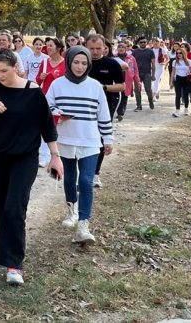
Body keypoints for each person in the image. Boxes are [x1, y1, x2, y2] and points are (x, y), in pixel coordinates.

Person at [0, 49, 62, 286]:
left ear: (15, 67)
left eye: (4, 71)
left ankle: (14, 265)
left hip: (25, 157)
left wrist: (55, 156)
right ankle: (9, 249)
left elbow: (47, 126)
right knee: (2, 207)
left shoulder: (33, 92)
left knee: (15, 207)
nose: (0, 75)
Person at [45, 46, 113, 244]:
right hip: (65, 139)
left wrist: (107, 138)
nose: (80, 66)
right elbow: (46, 107)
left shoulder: (95, 86)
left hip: (90, 141)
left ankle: (84, 223)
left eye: (84, 63)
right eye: (76, 62)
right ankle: (71, 210)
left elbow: (103, 114)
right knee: (69, 179)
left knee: (86, 181)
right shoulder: (57, 84)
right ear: (69, 62)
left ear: (89, 65)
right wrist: (57, 113)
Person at [85, 34, 124, 189]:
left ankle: (95, 173)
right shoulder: (80, 63)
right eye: (91, 49)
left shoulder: (112, 63)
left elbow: (122, 86)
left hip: (106, 103)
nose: (95, 52)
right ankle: (82, 171)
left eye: (98, 48)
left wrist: (104, 87)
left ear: (105, 48)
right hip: (83, 106)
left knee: (101, 138)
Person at [35, 37, 66, 166]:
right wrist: (40, 78)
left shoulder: (66, 63)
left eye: (51, 46)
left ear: (58, 48)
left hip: (61, 98)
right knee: (45, 125)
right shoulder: (45, 62)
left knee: (59, 125)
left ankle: (59, 154)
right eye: (47, 46)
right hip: (46, 98)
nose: (48, 48)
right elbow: (37, 81)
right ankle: (44, 156)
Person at [115, 42, 140, 121]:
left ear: (126, 49)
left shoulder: (131, 58)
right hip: (116, 80)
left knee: (124, 97)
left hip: (127, 80)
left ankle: (120, 113)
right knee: (117, 96)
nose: (121, 48)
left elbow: (135, 70)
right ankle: (117, 111)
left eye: (123, 47)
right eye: (119, 47)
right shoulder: (114, 58)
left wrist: (137, 81)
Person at [131, 37, 155, 111]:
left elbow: (153, 64)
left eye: (144, 42)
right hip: (137, 74)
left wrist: (153, 75)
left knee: (148, 89)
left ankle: (150, 101)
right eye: (141, 42)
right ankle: (139, 106)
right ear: (138, 43)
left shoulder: (150, 51)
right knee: (137, 90)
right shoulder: (134, 52)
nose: (143, 43)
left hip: (147, 73)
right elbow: (132, 63)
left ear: (146, 43)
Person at [171, 46, 191, 117]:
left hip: (186, 79)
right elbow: (173, 72)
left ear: (184, 53)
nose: (179, 54)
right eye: (177, 53)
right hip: (178, 79)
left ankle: (186, 109)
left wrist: (190, 74)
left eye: (180, 53)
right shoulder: (175, 62)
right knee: (178, 95)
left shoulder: (189, 61)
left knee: (186, 95)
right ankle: (177, 111)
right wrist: (171, 81)